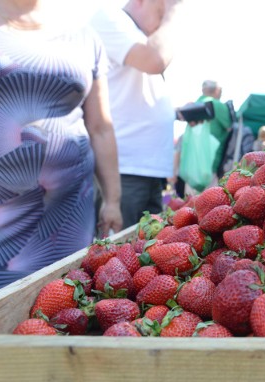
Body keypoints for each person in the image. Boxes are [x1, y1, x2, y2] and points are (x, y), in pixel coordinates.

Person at [0, 0, 122, 308]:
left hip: (67, 218)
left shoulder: (84, 35)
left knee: (62, 319)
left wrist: (113, 200)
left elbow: (100, 127)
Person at [91, 0, 181, 228]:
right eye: (161, 12)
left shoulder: (137, 35)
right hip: (125, 171)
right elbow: (155, 59)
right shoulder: (110, 18)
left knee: (146, 252)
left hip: (147, 170)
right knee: (122, 257)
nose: (163, 23)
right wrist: (174, 11)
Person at [198, 80, 233, 176]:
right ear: (217, 90)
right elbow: (230, 129)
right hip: (211, 160)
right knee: (210, 190)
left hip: (192, 162)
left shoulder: (195, 104)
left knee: (190, 191)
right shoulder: (218, 105)